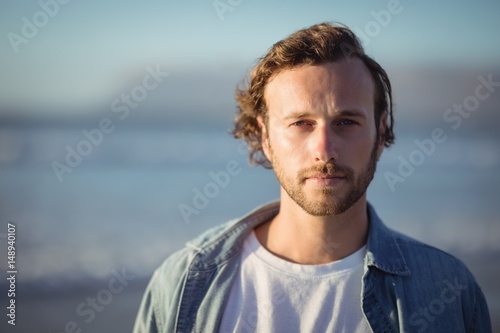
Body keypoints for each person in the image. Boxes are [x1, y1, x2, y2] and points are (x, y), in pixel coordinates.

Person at [133, 22, 492, 333]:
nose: (324, 149)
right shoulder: (185, 283)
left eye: (346, 122)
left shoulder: (447, 289)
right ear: (265, 138)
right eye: (301, 123)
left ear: (381, 133)